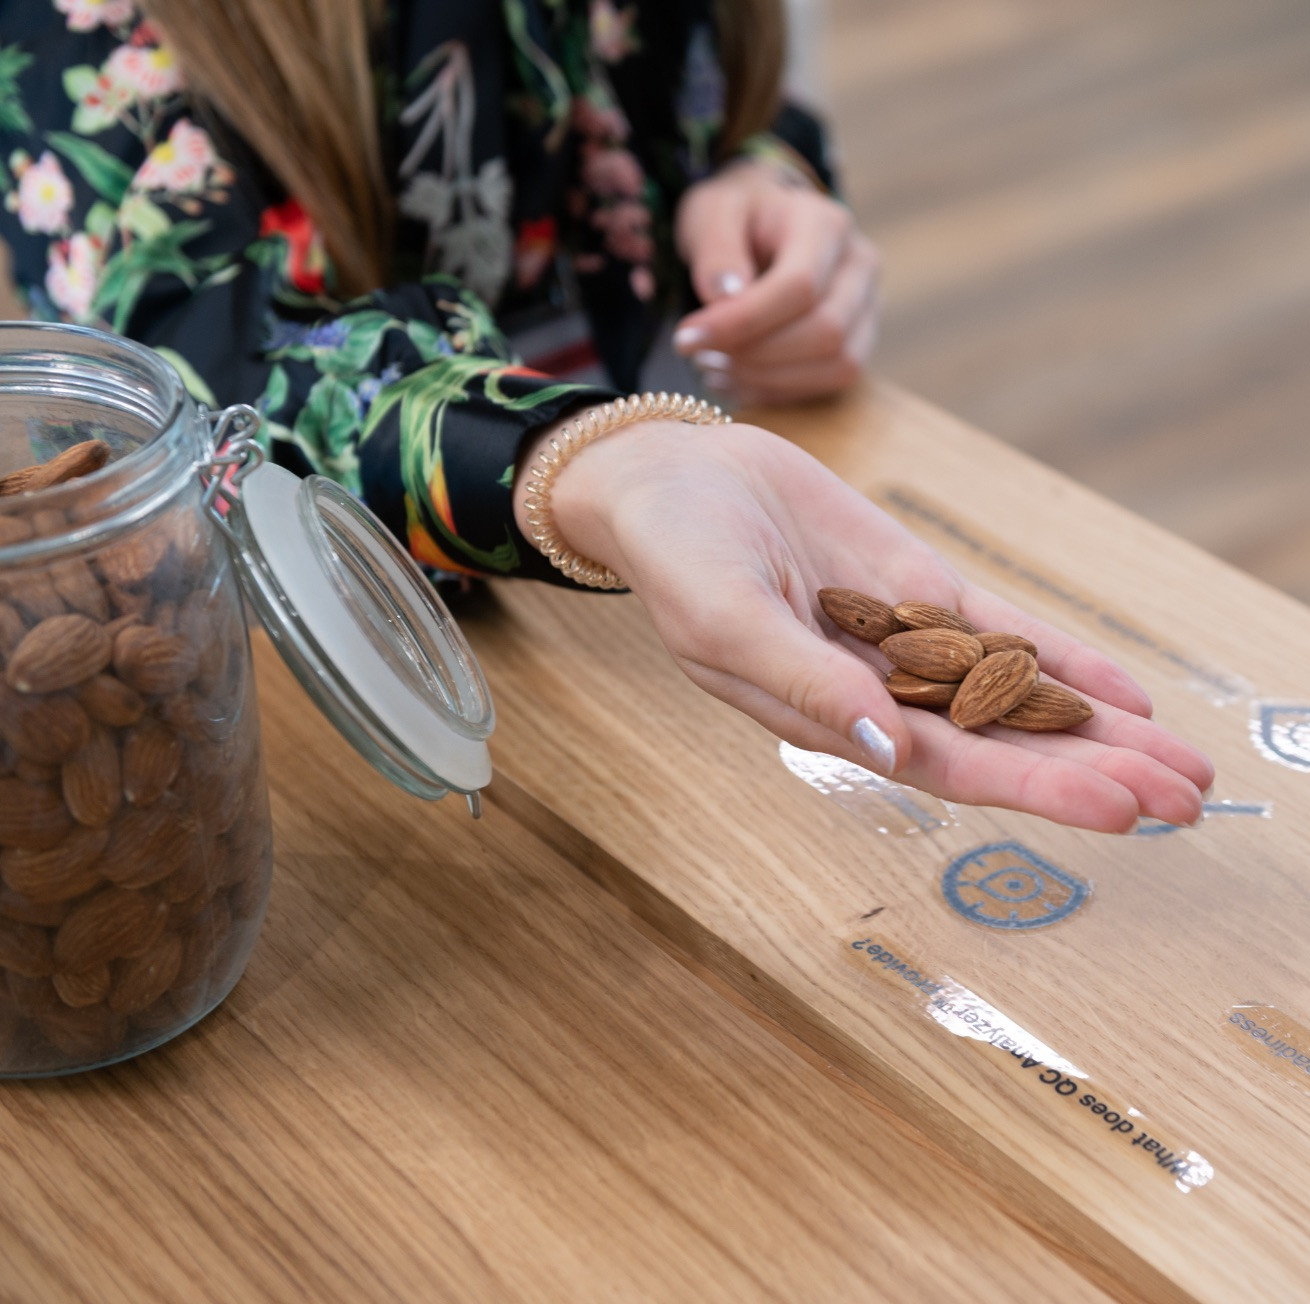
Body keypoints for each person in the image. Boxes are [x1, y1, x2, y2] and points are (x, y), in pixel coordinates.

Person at [0, 0, 1211, 831]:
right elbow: (199, 361)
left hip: (679, 596)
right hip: (322, 682)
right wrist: (602, 461)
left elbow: (717, 104)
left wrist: (768, 188)